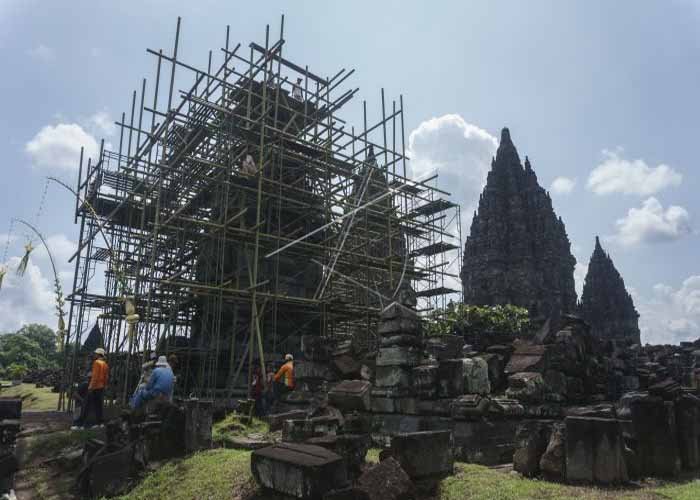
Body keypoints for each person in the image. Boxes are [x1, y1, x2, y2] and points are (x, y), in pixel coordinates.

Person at [72, 348, 109, 429]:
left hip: (94, 387)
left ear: (98, 355)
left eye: (96, 354)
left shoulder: (96, 363)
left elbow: (95, 377)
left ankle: (80, 425)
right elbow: (106, 377)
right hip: (101, 388)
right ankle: (100, 423)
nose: (95, 355)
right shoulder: (105, 364)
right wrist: (105, 386)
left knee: (86, 405)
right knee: (98, 406)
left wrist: (91, 387)